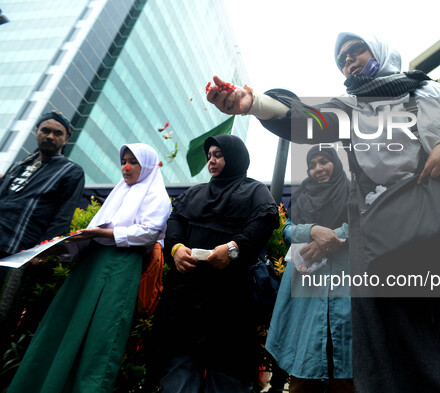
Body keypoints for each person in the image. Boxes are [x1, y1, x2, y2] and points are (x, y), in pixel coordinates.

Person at [207, 33, 440, 392]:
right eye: (342, 59)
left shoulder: (429, 95)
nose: (348, 60)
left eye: (356, 51)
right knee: (397, 341)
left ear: (379, 50)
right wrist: (253, 103)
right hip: (385, 238)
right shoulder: (348, 110)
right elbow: (307, 122)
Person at [7, 143, 171, 393]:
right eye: (123, 161)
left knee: (101, 335)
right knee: (64, 324)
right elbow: (93, 233)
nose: (125, 167)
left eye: (133, 162)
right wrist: (62, 247)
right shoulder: (119, 191)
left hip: (120, 266)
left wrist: (101, 233)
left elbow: (147, 233)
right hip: (90, 265)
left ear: (148, 166)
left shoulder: (156, 195)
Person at [154, 134, 278, 393]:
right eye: (210, 155)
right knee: (179, 371)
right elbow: (175, 219)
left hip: (228, 300)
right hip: (184, 298)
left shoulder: (255, 190)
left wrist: (233, 248)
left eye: (219, 155)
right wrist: (176, 248)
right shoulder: (195, 192)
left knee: (226, 375)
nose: (212, 160)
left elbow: (265, 220)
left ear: (235, 158)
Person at [266, 145, 353, 393]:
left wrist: (333, 238)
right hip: (305, 284)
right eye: (312, 164)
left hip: (343, 284)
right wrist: (313, 230)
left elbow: (363, 223)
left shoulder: (351, 191)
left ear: (335, 163)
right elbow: (287, 229)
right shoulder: (302, 194)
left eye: (324, 161)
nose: (318, 169)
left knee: (345, 366)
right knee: (304, 363)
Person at [0, 111, 85, 351]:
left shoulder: (70, 171)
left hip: (19, 253)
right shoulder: (20, 164)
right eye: (45, 130)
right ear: (36, 132)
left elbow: (63, 216)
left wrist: (43, 251)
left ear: (65, 139)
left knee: (4, 312)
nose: (50, 136)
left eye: (57, 133)